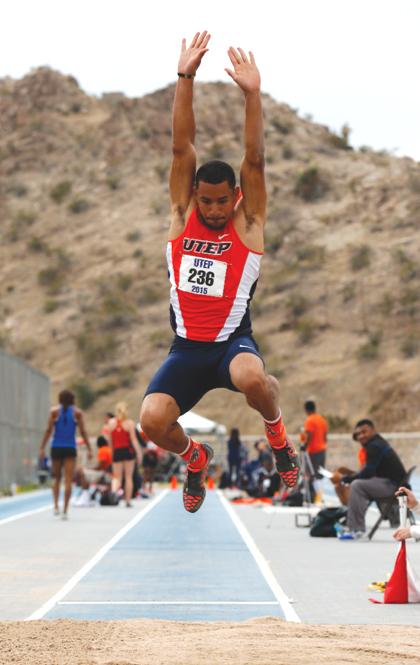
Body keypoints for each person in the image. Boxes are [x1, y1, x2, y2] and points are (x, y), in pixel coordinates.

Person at [139, 31, 299, 514]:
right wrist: (185, 77)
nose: (210, 209)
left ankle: (279, 440)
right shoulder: (182, 211)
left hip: (231, 343)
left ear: (235, 198)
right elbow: (180, 147)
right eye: (204, 200)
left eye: (219, 201)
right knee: (150, 422)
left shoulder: (248, 224)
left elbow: (255, 159)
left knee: (254, 379)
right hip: (187, 349)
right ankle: (195, 459)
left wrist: (252, 95)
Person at [337, 419, 407, 540]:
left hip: (392, 486)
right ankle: (354, 525)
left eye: (364, 432)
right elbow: (369, 471)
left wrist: (347, 479)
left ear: (373, 430)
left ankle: (356, 529)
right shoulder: (377, 442)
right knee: (358, 484)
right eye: (358, 434)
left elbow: (367, 473)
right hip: (392, 483)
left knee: (357, 485)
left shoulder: (374, 445)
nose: (361, 436)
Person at [39, 389, 92, 519]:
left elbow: (48, 431)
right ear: (73, 399)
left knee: (56, 478)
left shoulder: (54, 412)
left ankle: (56, 506)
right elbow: (83, 431)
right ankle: (65, 511)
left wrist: (42, 447)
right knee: (68, 480)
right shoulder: (77, 413)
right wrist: (89, 448)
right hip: (70, 447)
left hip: (56, 447)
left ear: (60, 399)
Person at [108, 402, 142, 507]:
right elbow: (134, 440)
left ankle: (114, 491)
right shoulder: (129, 423)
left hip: (117, 451)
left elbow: (110, 441)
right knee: (128, 477)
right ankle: (127, 500)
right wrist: (139, 453)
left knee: (117, 477)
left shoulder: (111, 422)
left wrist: (112, 452)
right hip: (128, 451)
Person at [301, 400, 328, 499]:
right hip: (322, 450)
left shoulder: (310, 420)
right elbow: (325, 436)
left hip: (313, 451)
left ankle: (315, 497)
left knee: (311, 474)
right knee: (320, 474)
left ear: (306, 410)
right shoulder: (322, 420)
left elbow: (309, 434)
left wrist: (305, 445)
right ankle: (319, 497)